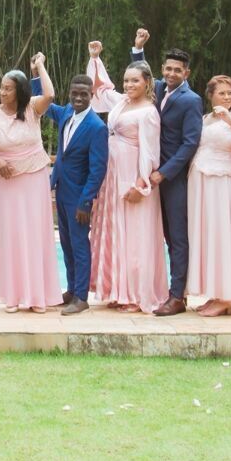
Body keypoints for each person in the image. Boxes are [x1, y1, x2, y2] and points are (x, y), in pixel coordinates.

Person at [84, 44, 167, 313]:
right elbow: (101, 88)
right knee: (115, 231)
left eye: (135, 81)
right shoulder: (121, 102)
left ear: (147, 83)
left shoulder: (149, 112)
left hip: (132, 176)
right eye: (126, 80)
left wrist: (141, 185)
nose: (129, 85)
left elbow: (150, 152)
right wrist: (95, 58)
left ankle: (135, 294)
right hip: (112, 174)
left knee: (134, 234)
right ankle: (116, 290)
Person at [0, 60, 65, 313]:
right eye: (2, 88)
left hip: (35, 176)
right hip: (6, 179)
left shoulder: (31, 108)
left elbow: (49, 93)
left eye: (8, 88)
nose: (3, 92)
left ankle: (38, 296)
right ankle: (12, 296)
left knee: (36, 232)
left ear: (20, 91)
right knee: (10, 234)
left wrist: (39, 67)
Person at [128, 30, 201, 316]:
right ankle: (149, 288)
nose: (171, 73)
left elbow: (190, 142)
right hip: (148, 175)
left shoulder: (191, 100)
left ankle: (177, 296)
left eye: (177, 70)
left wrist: (165, 173)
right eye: (168, 68)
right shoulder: (158, 90)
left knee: (176, 236)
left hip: (173, 179)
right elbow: (140, 76)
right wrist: (138, 50)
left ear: (186, 72)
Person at [34, 63, 109, 315]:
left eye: (83, 94)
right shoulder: (66, 113)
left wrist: (86, 202)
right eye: (74, 93)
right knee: (66, 244)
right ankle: (71, 288)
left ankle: (82, 296)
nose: (78, 98)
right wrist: (38, 72)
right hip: (61, 190)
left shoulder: (97, 127)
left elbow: (97, 169)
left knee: (79, 246)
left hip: (79, 197)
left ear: (92, 95)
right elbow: (43, 101)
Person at [184, 74, 231, 316]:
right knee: (208, 236)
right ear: (211, 95)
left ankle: (227, 297)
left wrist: (229, 120)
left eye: (230, 93)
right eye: (222, 93)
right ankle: (214, 292)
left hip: (226, 182)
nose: (227, 97)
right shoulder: (205, 119)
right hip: (201, 181)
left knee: (224, 235)